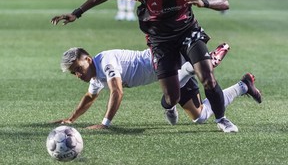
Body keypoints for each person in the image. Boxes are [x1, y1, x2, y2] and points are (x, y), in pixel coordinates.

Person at [51, 0, 238, 132]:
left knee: (207, 77)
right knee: (172, 97)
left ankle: (222, 119)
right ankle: (171, 104)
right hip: (160, 43)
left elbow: (223, 0)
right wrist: (77, 12)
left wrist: (205, 2)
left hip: (188, 34)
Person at [51, 44, 262, 131]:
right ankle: (244, 85)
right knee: (199, 117)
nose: (78, 75)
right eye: (74, 73)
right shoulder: (95, 76)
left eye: (78, 68)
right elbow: (90, 96)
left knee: (171, 94)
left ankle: (206, 61)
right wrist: (71, 119)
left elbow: (117, 91)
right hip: (168, 74)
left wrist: (105, 123)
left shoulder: (106, 62)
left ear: (87, 59)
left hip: (166, 61)